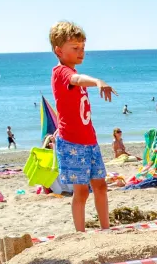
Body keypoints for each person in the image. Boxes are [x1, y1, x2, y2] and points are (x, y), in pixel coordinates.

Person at [48, 20, 115, 232]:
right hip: (72, 142)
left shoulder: (71, 71)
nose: (81, 52)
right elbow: (76, 79)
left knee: (101, 186)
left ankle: (106, 229)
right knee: (81, 191)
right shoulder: (61, 72)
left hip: (89, 140)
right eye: (75, 48)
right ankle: (80, 233)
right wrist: (97, 82)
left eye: (83, 47)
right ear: (59, 51)